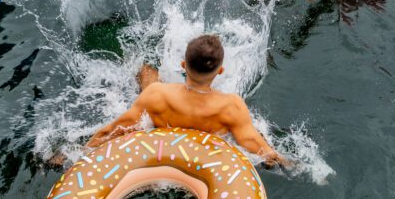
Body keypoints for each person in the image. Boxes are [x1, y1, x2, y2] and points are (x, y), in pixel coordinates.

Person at [85, 35, 287, 166]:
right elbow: (257, 146)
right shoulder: (231, 106)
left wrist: (82, 152)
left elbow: (116, 129)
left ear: (183, 65)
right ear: (220, 71)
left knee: (147, 73)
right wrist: (286, 163)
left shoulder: (156, 94)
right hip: (204, 164)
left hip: (158, 153)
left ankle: (141, 65)